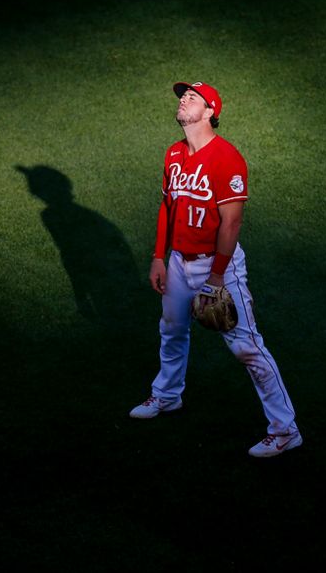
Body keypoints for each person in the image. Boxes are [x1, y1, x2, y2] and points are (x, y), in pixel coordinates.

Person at [129, 81, 302, 458]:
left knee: (247, 349)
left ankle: (285, 430)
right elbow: (166, 206)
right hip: (177, 262)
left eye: (193, 97)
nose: (183, 100)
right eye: (182, 96)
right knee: (171, 331)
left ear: (210, 112)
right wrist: (159, 256)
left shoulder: (227, 158)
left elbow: (231, 223)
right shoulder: (174, 154)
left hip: (217, 266)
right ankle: (167, 395)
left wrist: (217, 277)